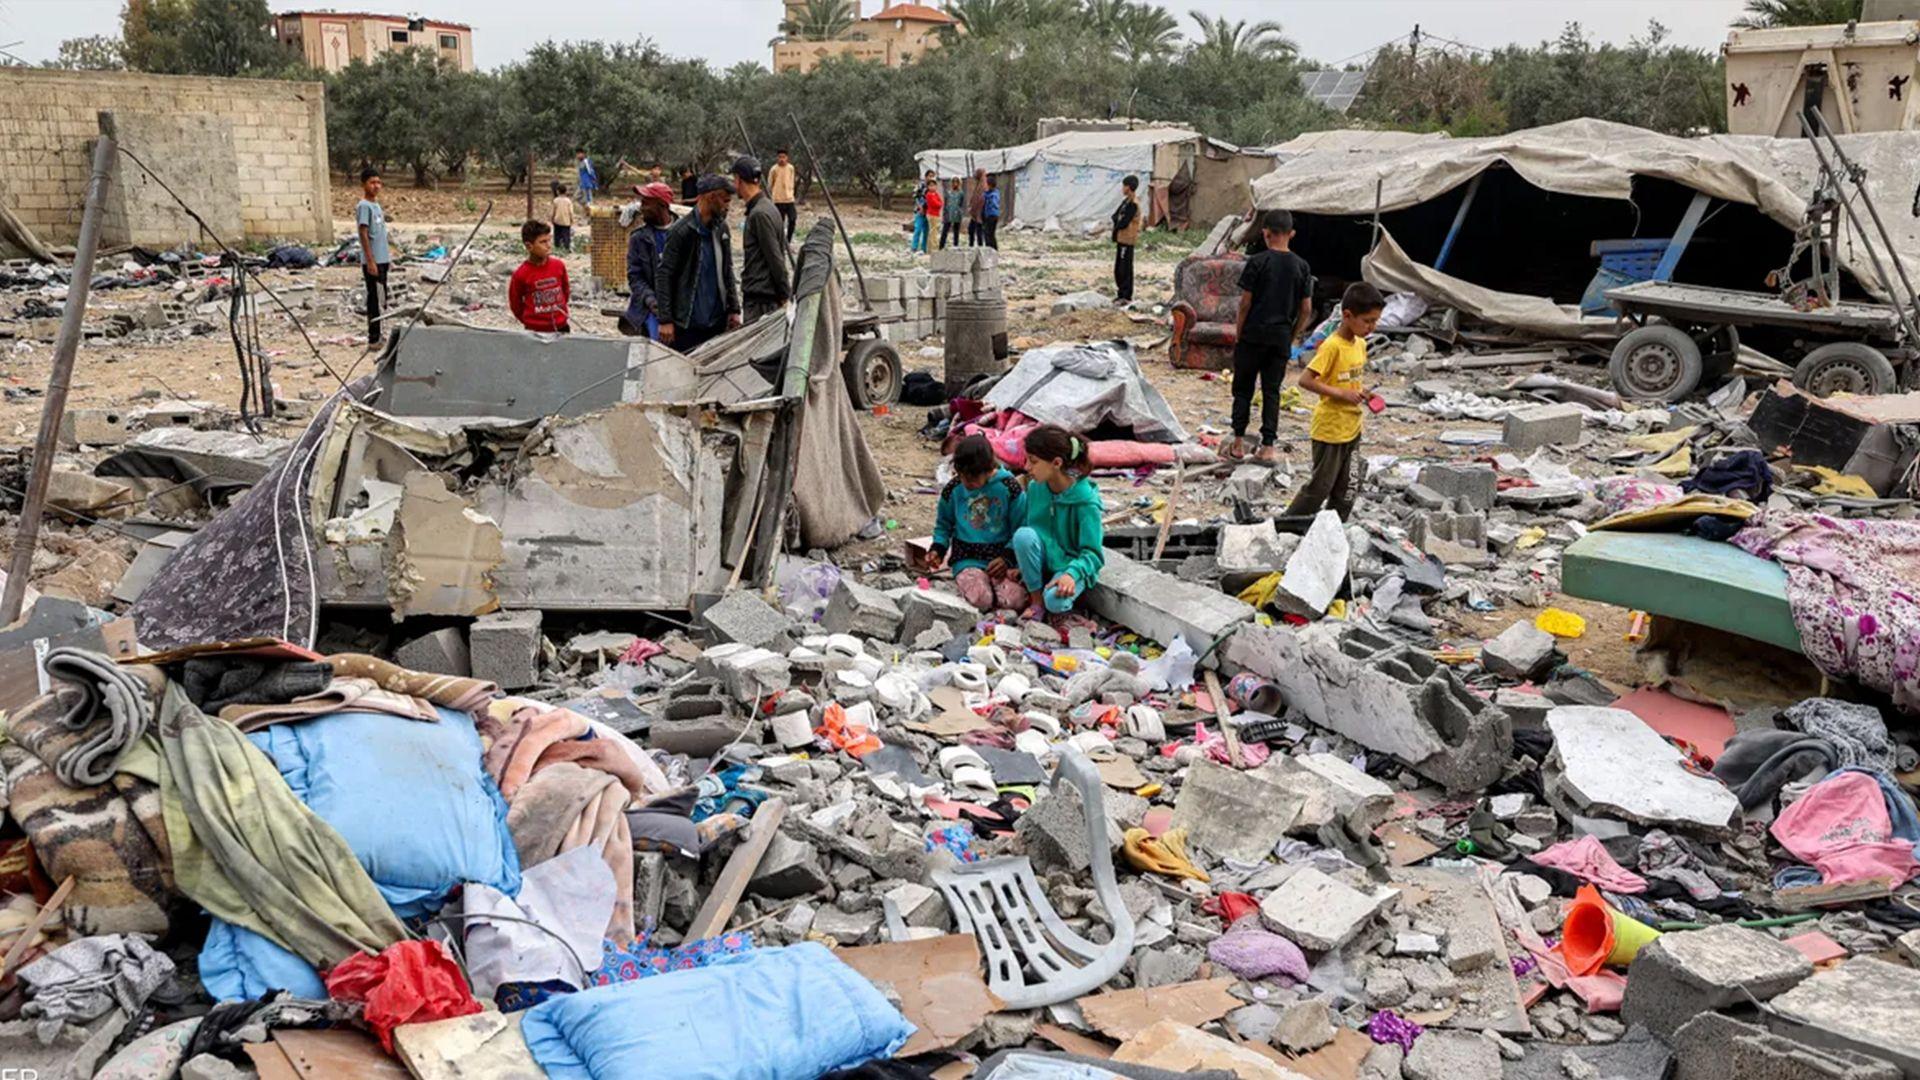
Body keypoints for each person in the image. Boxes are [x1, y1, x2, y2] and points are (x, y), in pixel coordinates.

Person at [1284, 282, 1385, 520]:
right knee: (1320, 486)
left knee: (1349, 486)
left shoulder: (1360, 344)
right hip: (1330, 429)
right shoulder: (1332, 346)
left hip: (1352, 427)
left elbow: (1348, 380)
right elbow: (1306, 380)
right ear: (1347, 315)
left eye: (1375, 321)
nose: (1373, 327)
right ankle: (1288, 524)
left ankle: (1333, 527)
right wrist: (1342, 394)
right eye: (1368, 321)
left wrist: (1364, 393)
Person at [1229, 209, 1313, 464]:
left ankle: (1237, 442)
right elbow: (1306, 308)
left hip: (1253, 334)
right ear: (1292, 234)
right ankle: (1268, 446)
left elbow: (1245, 303)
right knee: (1271, 391)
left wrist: (1239, 331)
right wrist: (1292, 335)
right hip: (1280, 337)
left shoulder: (1257, 261)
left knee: (1243, 389)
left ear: (1265, 233)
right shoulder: (1302, 266)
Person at [1012, 424, 1104, 621]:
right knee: (1023, 535)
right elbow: (1030, 534)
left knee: (1055, 601)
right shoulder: (1036, 488)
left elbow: (1094, 554)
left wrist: (1072, 574)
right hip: (1045, 558)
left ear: (1056, 463)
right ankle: (1036, 601)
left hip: (1070, 566)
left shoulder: (1086, 502)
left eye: (1034, 462)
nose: (1027, 467)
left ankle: (1052, 600)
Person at [930, 435, 1029, 612]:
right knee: (980, 599)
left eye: (973, 478)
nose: (967, 483)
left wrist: (1007, 558)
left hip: (1001, 561)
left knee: (1014, 601)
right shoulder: (953, 489)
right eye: (962, 477)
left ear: (988, 470)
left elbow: (1021, 527)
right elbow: (944, 524)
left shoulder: (1009, 488)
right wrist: (938, 548)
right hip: (967, 559)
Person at [655, 174, 741, 352]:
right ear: (711, 198)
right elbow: (664, 275)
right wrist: (665, 320)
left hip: (716, 323)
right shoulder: (681, 232)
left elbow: (727, 271)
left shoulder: (721, 229)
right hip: (687, 324)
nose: (727, 207)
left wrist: (734, 309)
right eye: (725, 201)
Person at [734, 155, 791, 324]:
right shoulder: (768, 207)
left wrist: (784, 295)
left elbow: (774, 258)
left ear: (738, 180)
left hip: (761, 301)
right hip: (764, 297)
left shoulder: (759, 214)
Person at [619, 182, 676, 338]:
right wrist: (651, 300)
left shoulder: (683, 233)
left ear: (662, 205)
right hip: (649, 308)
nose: (641, 208)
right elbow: (635, 277)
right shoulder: (638, 238)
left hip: (679, 307)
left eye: (646, 203)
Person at [508, 220, 571, 334]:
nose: (548, 245)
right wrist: (531, 321)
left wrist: (558, 314)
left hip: (561, 326)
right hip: (535, 331)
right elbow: (516, 305)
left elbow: (565, 291)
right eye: (542, 242)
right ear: (529, 246)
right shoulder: (521, 274)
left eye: (549, 240)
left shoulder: (558, 266)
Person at [355, 169, 391, 347]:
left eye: (378, 182)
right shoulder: (364, 206)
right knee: (374, 299)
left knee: (382, 297)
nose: (376, 186)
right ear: (364, 184)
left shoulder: (376, 206)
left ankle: (382, 334)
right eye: (372, 182)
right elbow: (363, 232)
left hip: (382, 259)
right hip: (374, 261)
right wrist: (370, 260)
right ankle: (374, 337)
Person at [1111, 174, 1142, 304]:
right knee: (1118, 268)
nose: (1122, 189)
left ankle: (1126, 295)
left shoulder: (1133, 204)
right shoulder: (1126, 201)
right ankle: (1121, 293)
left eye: (1124, 186)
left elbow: (1124, 221)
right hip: (1121, 238)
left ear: (1128, 187)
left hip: (1127, 239)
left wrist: (1118, 222)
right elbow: (1115, 215)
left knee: (1125, 268)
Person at [769, 149, 798, 244]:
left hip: (789, 199)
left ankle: (788, 241)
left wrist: (791, 192)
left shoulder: (791, 168)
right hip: (778, 200)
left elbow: (791, 181)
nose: (782, 159)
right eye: (780, 157)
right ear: (777, 158)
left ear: (787, 158)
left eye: (783, 157)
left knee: (792, 219)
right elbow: (770, 184)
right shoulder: (774, 169)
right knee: (779, 222)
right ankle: (780, 241)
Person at [910, 170, 937, 253]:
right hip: (920, 210)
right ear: (926, 177)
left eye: (932, 176)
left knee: (926, 230)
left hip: (928, 212)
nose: (931, 178)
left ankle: (924, 248)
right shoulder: (921, 185)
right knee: (918, 228)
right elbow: (915, 196)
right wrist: (920, 206)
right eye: (929, 176)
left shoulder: (932, 187)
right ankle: (914, 247)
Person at [939, 177, 965, 250]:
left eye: (957, 182)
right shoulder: (948, 192)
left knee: (956, 231)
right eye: (953, 182)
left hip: (957, 213)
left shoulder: (961, 193)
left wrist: (959, 212)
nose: (955, 184)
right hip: (948, 213)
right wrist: (944, 214)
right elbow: (946, 203)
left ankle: (955, 245)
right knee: (945, 230)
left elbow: (961, 203)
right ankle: (941, 246)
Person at [549, 182, 576, 252]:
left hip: (557, 221)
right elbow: (571, 212)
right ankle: (566, 247)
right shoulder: (568, 201)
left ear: (557, 192)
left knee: (557, 235)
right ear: (566, 191)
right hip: (566, 221)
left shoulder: (555, 200)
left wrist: (551, 218)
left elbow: (553, 211)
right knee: (566, 235)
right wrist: (572, 220)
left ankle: (557, 246)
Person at [967, 167, 987, 247]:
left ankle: (980, 246)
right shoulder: (978, 185)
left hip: (981, 212)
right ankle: (972, 245)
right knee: (971, 229)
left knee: (978, 230)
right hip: (975, 212)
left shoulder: (983, 186)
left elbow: (981, 199)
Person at [982, 175, 1002, 250]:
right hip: (990, 215)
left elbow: (994, 203)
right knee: (989, 233)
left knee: (988, 233)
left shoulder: (994, 194)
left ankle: (991, 249)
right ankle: (993, 249)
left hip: (992, 215)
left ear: (990, 185)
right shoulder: (989, 193)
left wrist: (989, 200)